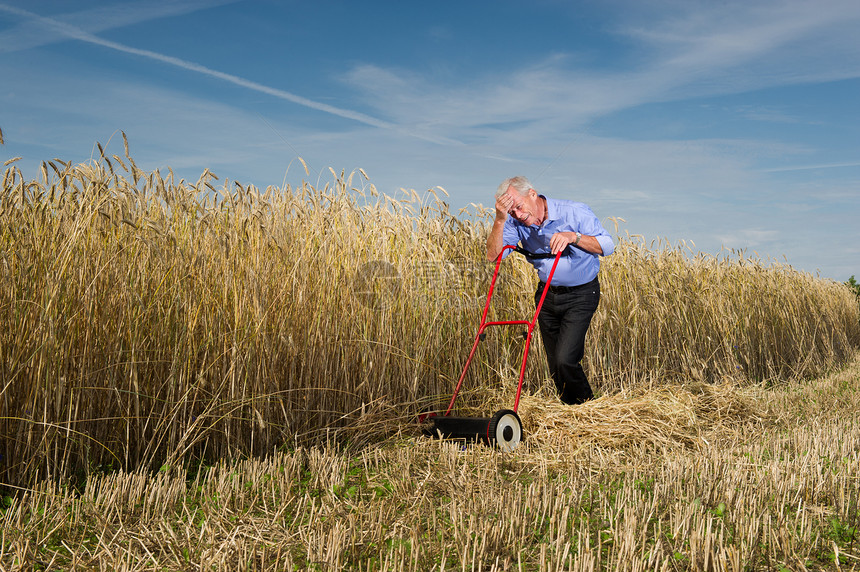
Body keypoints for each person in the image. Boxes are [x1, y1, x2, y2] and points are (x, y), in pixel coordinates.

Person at [486, 176, 614, 405]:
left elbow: (607, 246)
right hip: (546, 296)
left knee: (566, 359)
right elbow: (494, 257)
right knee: (555, 364)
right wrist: (499, 220)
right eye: (510, 211)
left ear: (533, 195)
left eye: (518, 206)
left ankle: (588, 410)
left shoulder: (574, 212)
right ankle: (570, 412)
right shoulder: (514, 222)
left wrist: (572, 237)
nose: (517, 214)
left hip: (581, 294)